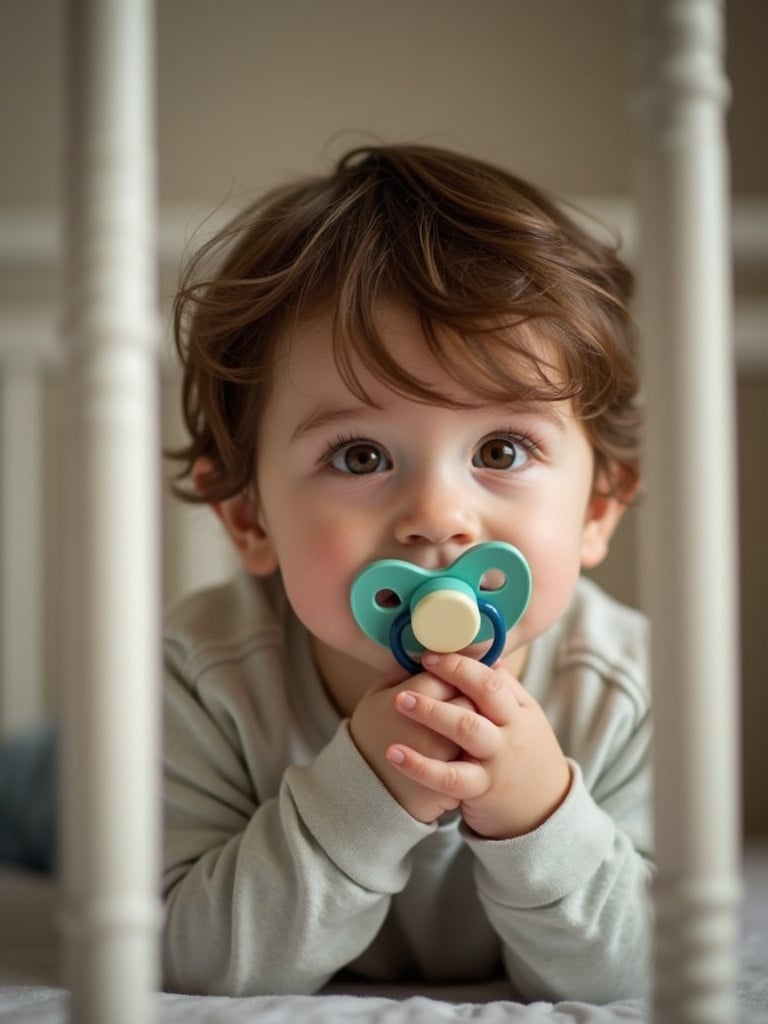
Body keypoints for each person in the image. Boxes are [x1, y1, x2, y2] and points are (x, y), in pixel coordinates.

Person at [160, 143, 652, 1001]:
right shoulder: (197, 673)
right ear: (249, 517)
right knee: (47, 797)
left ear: (598, 510)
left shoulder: (625, 687)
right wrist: (369, 790)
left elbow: (640, 973)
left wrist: (539, 816)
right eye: (358, 454)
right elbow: (190, 965)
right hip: (107, 769)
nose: (436, 516)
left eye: (501, 449)